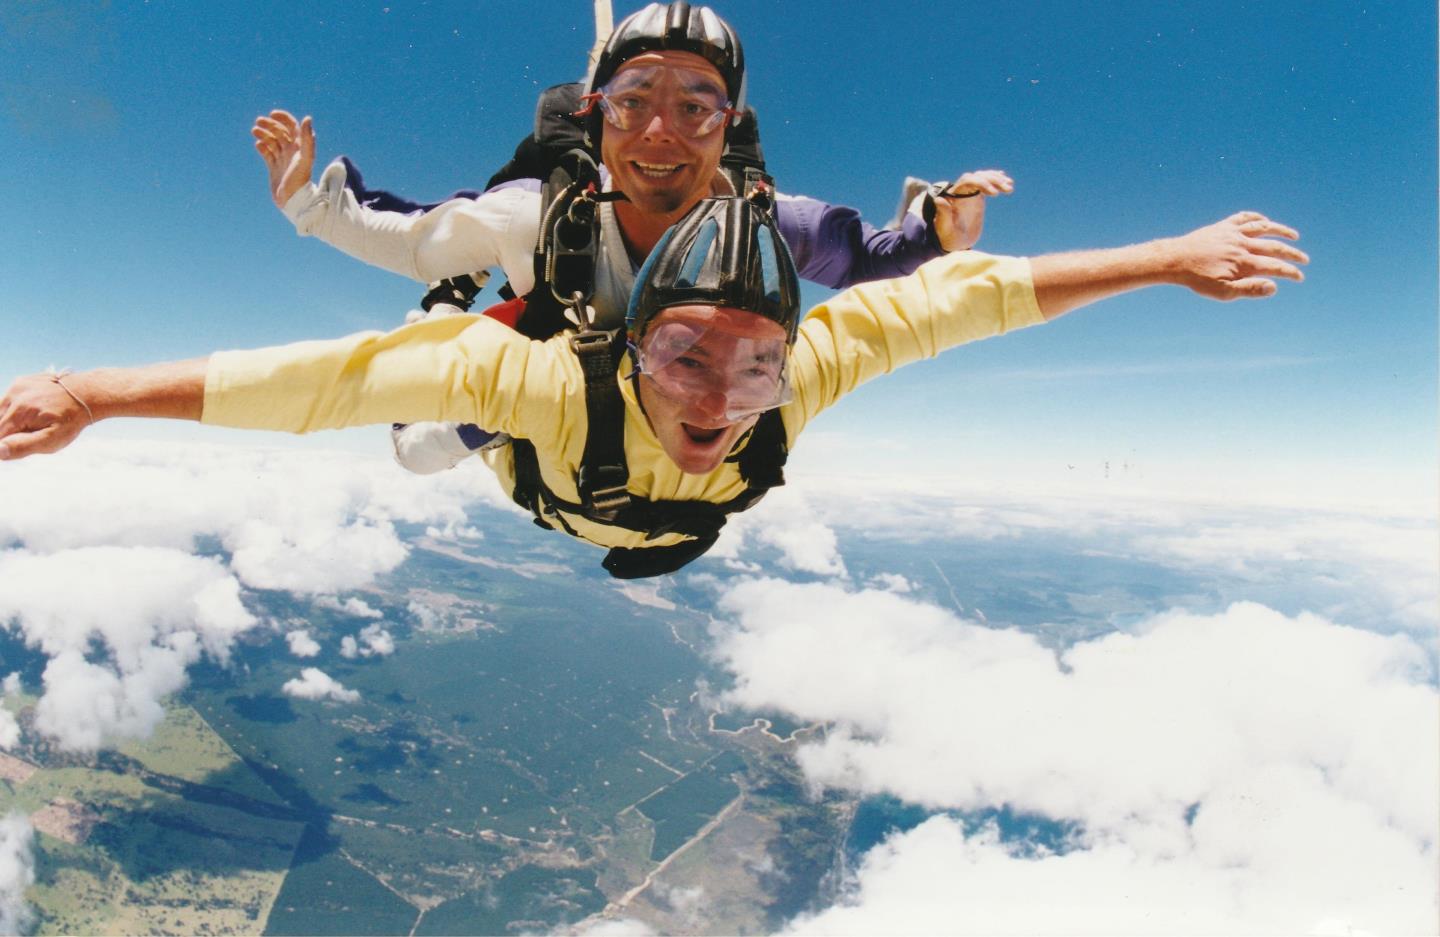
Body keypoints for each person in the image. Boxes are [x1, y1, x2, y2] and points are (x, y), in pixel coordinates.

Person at [0, 199, 1306, 578]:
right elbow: (312, 383)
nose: (733, 391)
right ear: (628, 349)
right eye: (689, 351)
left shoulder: (806, 370)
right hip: (518, 446)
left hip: (615, 510)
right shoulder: (535, 385)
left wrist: (1169, 258)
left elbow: (965, 296)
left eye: (760, 356)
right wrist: (95, 392)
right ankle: (491, 282)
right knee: (414, 427)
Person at [250, 0, 1012, 474]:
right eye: (632, 101)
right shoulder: (538, 217)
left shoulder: (755, 221)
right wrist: (307, 208)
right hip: (553, 344)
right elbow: (414, 240)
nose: (659, 132)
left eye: (696, 108)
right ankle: (446, 309)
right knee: (419, 453)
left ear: (730, 126)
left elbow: (861, 258)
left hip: (639, 374)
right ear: (597, 115)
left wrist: (935, 231)